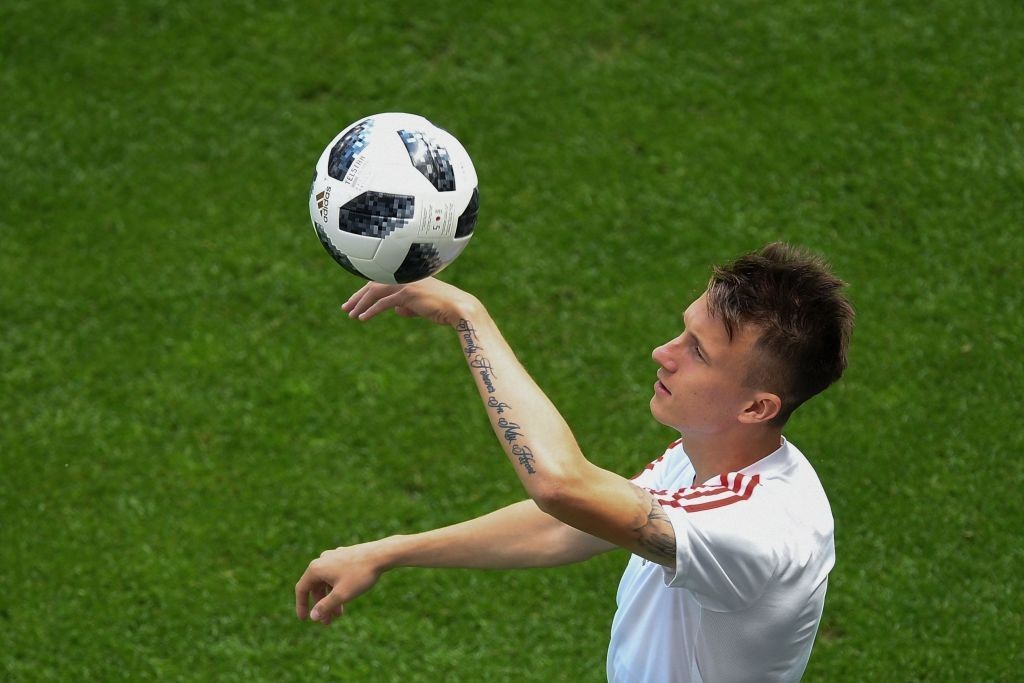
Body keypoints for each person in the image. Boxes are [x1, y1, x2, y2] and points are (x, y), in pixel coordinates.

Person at [294, 242, 855, 682]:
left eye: (698, 352)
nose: (665, 353)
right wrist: (386, 553)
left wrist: (470, 318)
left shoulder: (753, 528)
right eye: (684, 331)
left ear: (757, 407)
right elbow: (571, 524)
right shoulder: (708, 459)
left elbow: (562, 487)